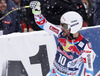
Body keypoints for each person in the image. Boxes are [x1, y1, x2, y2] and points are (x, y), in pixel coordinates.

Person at [30, 1, 95, 76]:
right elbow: (44, 24)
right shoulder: (60, 33)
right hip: (53, 73)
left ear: (73, 27)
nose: (61, 28)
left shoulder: (85, 46)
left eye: (64, 26)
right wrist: (37, 12)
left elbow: (89, 72)